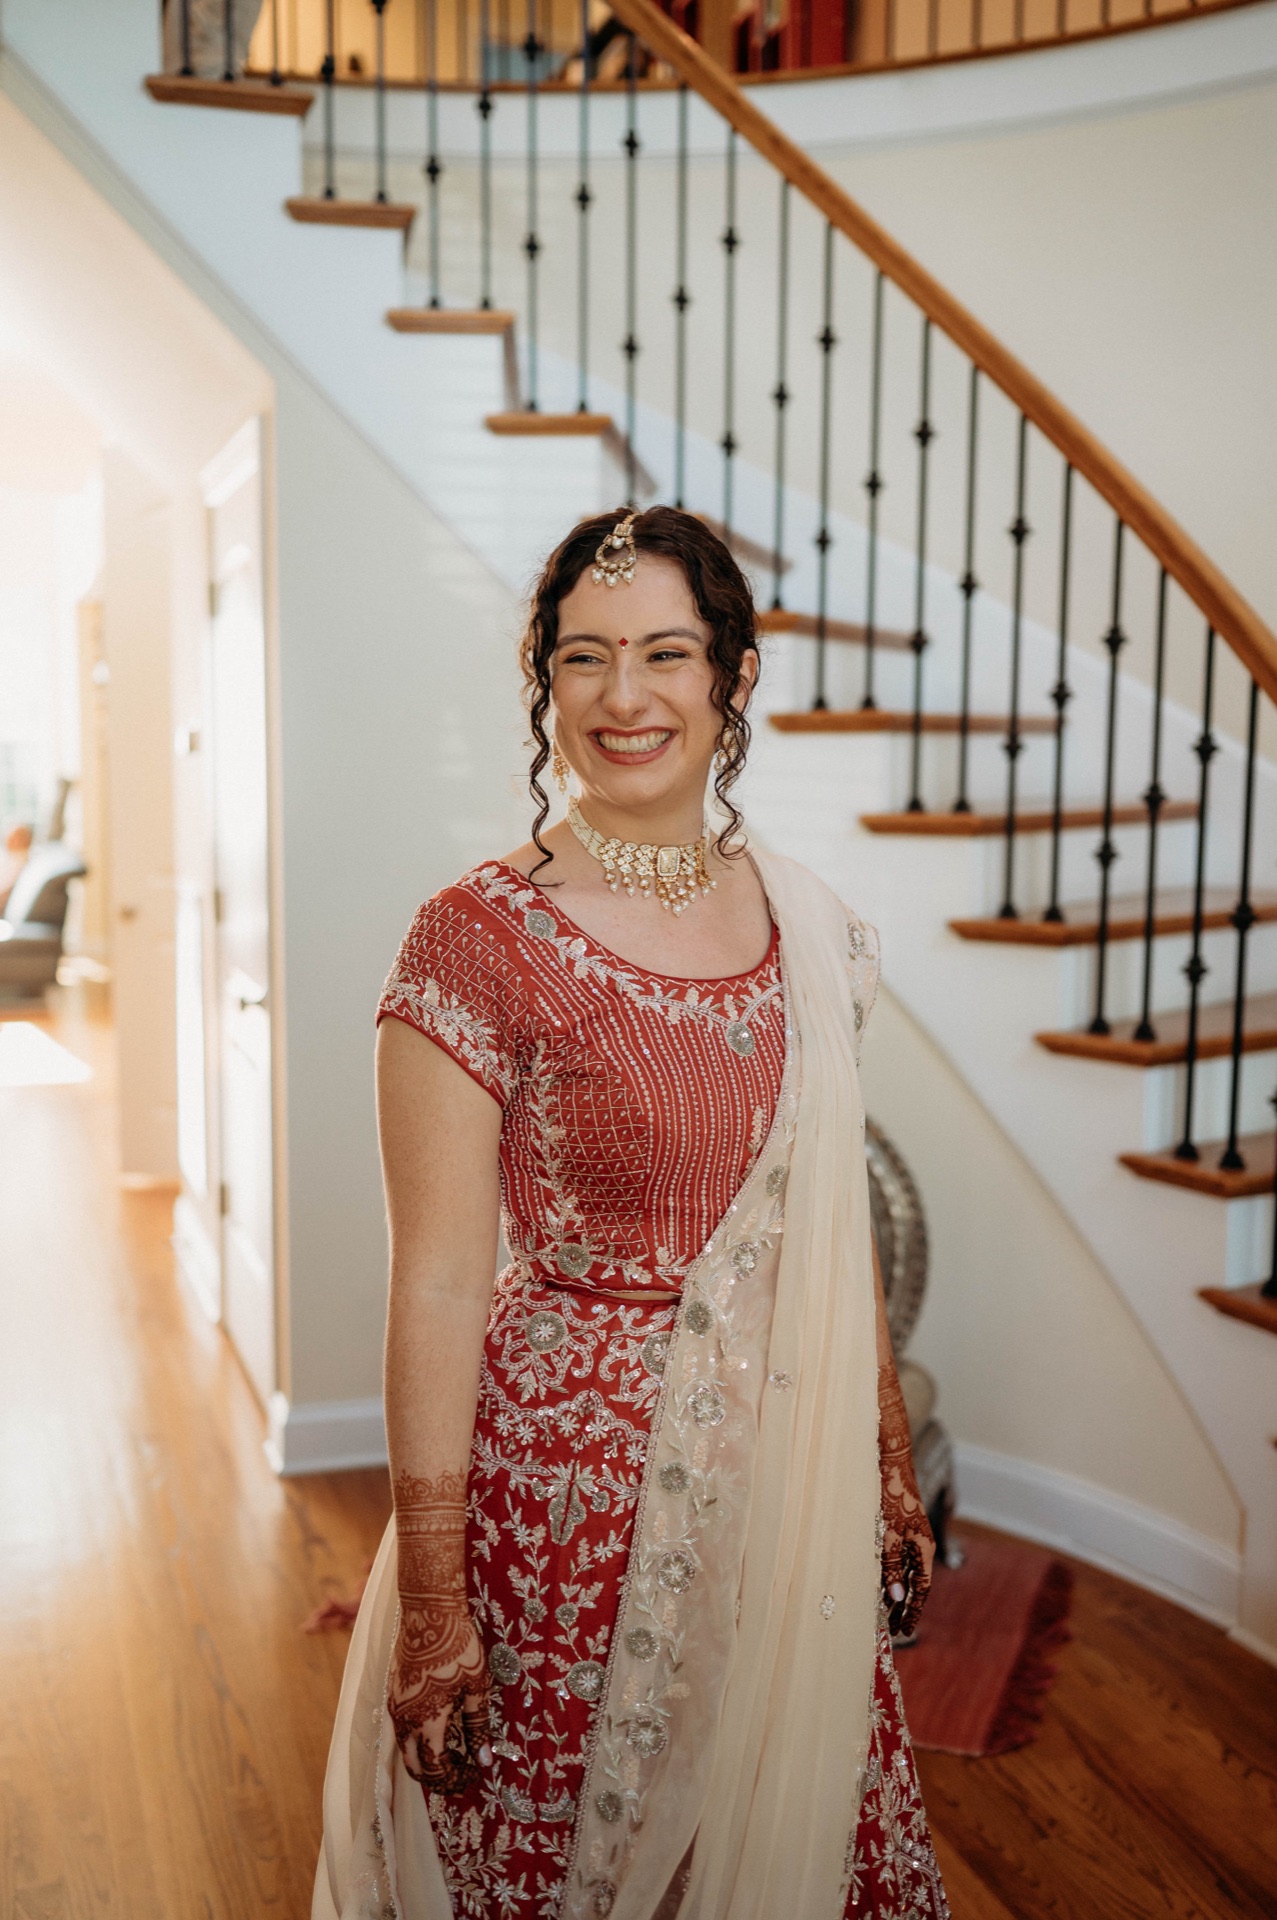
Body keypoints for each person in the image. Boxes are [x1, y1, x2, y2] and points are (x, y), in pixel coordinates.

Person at [314, 507, 947, 1920]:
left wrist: (886, 1460)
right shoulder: (477, 938)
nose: (623, 695)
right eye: (583, 656)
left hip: (778, 1479)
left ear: (733, 677)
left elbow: (821, 1217)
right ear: (543, 681)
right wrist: (433, 1602)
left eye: (666, 652)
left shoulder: (810, 925)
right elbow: (437, 1282)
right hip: (562, 1505)